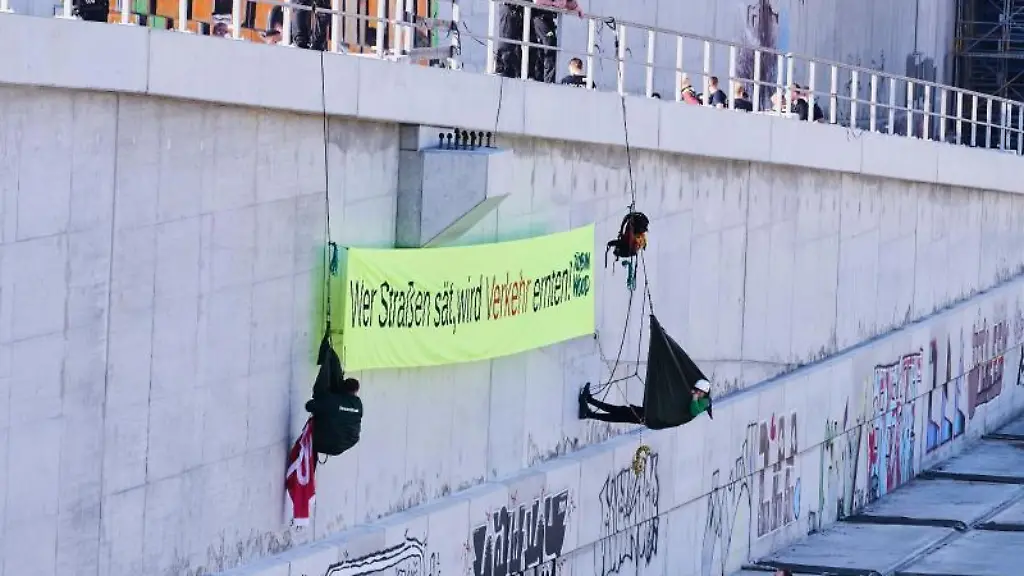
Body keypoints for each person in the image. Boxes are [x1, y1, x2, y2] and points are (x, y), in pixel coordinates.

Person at [305, 335, 363, 456]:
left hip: (323, 442)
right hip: (343, 446)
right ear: (356, 391)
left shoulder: (332, 401)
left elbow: (309, 406)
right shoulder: (358, 405)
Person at [578, 380, 711, 425]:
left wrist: (694, 398)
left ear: (704, 393)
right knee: (620, 411)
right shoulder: (699, 398)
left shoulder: (704, 403)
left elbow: (694, 410)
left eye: (699, 392)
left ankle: (589, 413)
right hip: (652, 414)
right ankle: (589, 403)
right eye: (696, 390)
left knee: (618, 415)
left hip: (652, 418)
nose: (696, 393)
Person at [529, 0, 583, 83]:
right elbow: (537, 1)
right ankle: (545, 79)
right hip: (539, 16)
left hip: (548, 18)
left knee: (550, 47)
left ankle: (546, 79)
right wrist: (555, 3)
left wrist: (576, 8)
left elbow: (568, 2)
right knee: (549, 45)